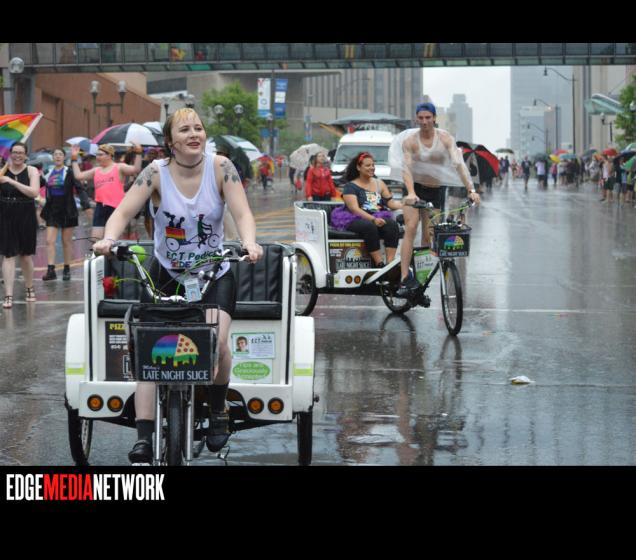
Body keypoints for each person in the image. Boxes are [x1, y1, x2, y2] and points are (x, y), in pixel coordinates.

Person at [92, 107, 263, 464]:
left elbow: (242, 212)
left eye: (198, 128)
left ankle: (218, 409)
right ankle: (144, 435)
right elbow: (122, 212)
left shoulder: (222, 167)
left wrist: (249, 242)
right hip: (166, 272)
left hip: (214, 272)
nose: (194, 134)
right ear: (170, 141)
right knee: (149, 348)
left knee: (217, 343)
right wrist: (109, 238)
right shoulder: (155, 172)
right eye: (184, 130)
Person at [389, 102, 480, 295]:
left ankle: (420, 281)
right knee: (411, 228)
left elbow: (459, 165)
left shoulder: (445, 139)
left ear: (434, 118)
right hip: (414, 188)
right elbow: (406, 168)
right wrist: (411, 192)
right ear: (416, 119)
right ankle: (404, 278)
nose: (424, 122)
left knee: (429, 235)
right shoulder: (411, 141)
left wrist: (471, 189)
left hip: (436, 190)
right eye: (421, 118)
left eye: (428, 118)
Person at [333, 152, 403, 268]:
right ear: (358, 167)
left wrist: (405, 204)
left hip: (377, 215)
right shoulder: (350, 186)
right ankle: (379, 263)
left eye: (373, 165)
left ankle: (390, 264)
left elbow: (391, 203)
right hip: (355, 218)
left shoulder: (379, 183)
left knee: (392, 224)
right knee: (369, 226)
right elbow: (354, 209)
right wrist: (373, 219)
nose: (372, 168)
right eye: (368, 165)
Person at [71, 142, 142, 241]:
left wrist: (138, 153)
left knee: (113, 240)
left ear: (109, 155)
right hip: (100, 207)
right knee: (95, 239)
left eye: (101, 155)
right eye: (97, 155)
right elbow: (79, 176)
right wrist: (74, 159)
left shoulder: (119, 167)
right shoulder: (96, 170)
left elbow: (136, 169)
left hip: (116, 208)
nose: (97, 157)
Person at [0, 142, 41, 309]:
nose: (17, 155)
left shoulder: (32, 171)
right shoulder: (3, 170)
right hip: (6, 213)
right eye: (15, 152)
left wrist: (12, 181)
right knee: (8, 255)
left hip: (25, 213)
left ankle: (29, 287)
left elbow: (34, 192)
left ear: (25, 155)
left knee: (25, 255)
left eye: (21, 153)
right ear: (10, 154)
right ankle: (8, 295)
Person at [41, 148, 82, 281]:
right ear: (53, 158)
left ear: (64, 157)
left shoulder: (69, 171)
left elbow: (79, 188)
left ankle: (66, 268)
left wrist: (86, 205)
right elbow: (37, 185)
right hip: (52, 209)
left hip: (67, 209)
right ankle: (51, 270)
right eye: (55, 154)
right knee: (49, 241)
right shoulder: (47, 172)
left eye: (60, 154)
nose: (58, 156)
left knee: (66, 241)